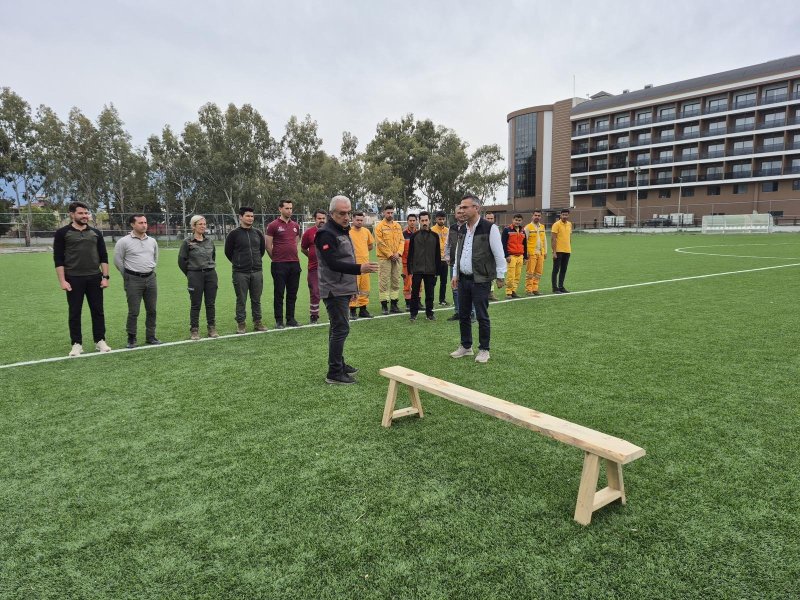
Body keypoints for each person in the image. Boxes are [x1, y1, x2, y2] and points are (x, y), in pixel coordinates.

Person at [315, 195, 379, 384]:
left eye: (348, 212)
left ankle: (338, 364)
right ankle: (334, 372)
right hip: (334, 289)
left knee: (337, 328)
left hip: (342, 287)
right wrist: (360, 269)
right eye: (342, 213)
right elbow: (333, 263)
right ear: (331, 213)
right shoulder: (326, 233)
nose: (346, 217)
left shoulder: (342, 230)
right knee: (341, 328)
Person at [450, 194, 506, 364]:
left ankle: (484, 349)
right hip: (463, 279)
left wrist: (500, 276)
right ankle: (466, 347)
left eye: (465, 207)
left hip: (481, 279)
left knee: (482, 316)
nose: (461, 210)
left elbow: (499, 254)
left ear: (476, 208)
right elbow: (458, 253)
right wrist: (455, 274)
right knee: (464, 314)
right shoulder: (462, 229)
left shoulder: (490, 228)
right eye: (460, 207)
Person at [53, 201, 112, 356]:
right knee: (74, 312)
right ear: (72, 214)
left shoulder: (96, 233)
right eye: (81, 213)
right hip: (73, 279)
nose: (85, 216)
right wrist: (62, 281)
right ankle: (76, 344)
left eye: (86, 213)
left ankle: (100, 341)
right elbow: (58, 259)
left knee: (98, 311)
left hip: (94, 278)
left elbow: (103, 256)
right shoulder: (62, 233)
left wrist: (105, 277)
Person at [114, 213, 160, 348]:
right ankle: (132, 338)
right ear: (132, 224)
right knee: (134, 311)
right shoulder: (123, 242)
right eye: (140, 223)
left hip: (151, 278)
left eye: (145, 222)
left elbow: (155, 258)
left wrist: (150, 270)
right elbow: (118, 261)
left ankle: (151, 336)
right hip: (133, 279)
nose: (144, 225)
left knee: (152, 310)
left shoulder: (152, 241)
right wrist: (128, 275)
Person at [225, 206, 266, 334]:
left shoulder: (258, 233)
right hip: (240, 273)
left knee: (256, 299)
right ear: (241, 217)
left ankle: (257, 322)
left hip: (257, 272)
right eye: (248, 216)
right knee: (241, 299)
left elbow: (261, 251)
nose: (250, 218)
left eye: (252, 216)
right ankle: (241, 324)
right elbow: (228, 252)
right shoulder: (233, 234)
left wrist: (255, 263)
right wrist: (238, 263)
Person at [178, 215, 219, 340]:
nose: (203, 226)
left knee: (210, 303)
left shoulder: (209, 241)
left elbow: (213, 256)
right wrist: (190, 273)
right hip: (195, 275)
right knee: (196, 304)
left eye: (204, 224)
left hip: (210, 274)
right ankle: (194, 330)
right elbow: (181, 261)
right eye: (200, 224)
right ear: (193, 226)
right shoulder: (187, 242)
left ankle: (211, 328)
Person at [266, 199, 302, 328]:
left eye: (291, 208)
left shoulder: (296, 226)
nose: (289, 211)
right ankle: (279, 320)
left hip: (294, 264)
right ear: (280, 209)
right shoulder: (273, 225)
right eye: (287, 208)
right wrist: (276, 259)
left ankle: (291, 319)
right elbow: (268, 246)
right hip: (279, 264)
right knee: (279, 293)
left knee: (292, 293)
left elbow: (295, 242)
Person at [407, 211, 442, 321]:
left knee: (430, 293)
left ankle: (429, 313)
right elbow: (410, 254)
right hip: (417, 269)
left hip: (431, 270)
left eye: (426, 220)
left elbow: (437, 255)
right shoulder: (414, 236)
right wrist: (410, 269)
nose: (424, 222)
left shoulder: (435, 236)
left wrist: (437, 271)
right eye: (422, 220)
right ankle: (413, 313)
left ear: (429, 221)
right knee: (415, 293)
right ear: (419, 221)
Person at [444, 205, 474, 322]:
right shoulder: (451, 228)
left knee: (469, 288)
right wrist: (446, 256)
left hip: (467, 263)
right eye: (458, 213)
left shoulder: (470, 227)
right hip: (453, 263)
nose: (461, 214)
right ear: (455, 215)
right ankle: (458, 312)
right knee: (455, 288)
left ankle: (471, 313)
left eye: (463, 212)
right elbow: (448, 244)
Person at [373, 204, 404, 315]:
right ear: (383, 213)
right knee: (384, 281)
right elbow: (380, 243)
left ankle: (394, 304)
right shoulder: (379, 227)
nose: (390, 214)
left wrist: (399, 253)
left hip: (397, 258)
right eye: (388, 213)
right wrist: (391, 254)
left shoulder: (397, 226)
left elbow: (402, 241)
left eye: (392, 212)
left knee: (396, 280)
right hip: (384, 258)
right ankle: (384, 305)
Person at [348, 211, 375, 320]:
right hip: (353, 266)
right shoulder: (348, 232)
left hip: (366, 265)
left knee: (365, 288)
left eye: (361, 220)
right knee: (353, 288)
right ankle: (352, 310)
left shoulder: (366, 231)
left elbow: (370, 246)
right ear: (353, 220)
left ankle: (363, 309)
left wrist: (363, 254)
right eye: (357, 220)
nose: (359, 222)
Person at [301, 209, 326, 324]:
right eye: (319, 218)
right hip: (314, 268)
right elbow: (303, 248)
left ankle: (333, 314)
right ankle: (314, 316)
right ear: (315, 219)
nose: (322, 220)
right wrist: (312, 257)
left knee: (331, 292)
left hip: (329, 268)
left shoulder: (330, 232)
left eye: (323, 218)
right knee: (315, 291)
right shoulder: (309, 232)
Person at [501, 213, 528, 299]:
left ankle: (513, 291)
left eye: (519, 220)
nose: (517, 222)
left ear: (521, 221)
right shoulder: (507, 230)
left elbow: (525, 244)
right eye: (516, 220)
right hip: (511, 256)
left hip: (520, 256)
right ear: (513, 220)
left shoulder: (523, 231)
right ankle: (508, 292)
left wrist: (525, 257)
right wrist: (506, 255)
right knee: (510, 275)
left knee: (517, 275)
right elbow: (503, 244)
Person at [524, 210, 547, 296]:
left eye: (539, 215)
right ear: (532, 216)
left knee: (538, 272)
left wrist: (545, 251)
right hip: (531, 253)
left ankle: (535, 289)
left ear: (540, 217)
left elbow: (544, 240)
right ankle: (528, 290)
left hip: (540, 253)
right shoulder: (528, 227)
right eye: (535, 215)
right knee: (530, 272)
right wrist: (526, 253)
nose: (537, 217)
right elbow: (524, 241)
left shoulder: (542, 227)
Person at [551, 208, 573, 294]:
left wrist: (569, 247)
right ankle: (555, 288)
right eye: (563, 215)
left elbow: (569, 237)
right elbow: (553, 239)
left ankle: (561, 287)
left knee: (563, 270)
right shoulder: (556, 224)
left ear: (568, 215)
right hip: (558, 251)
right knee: (556, 270)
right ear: (560, 215)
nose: (564, 216)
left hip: (567, 251)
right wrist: (554, 252)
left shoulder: (570, 224)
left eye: (566, 215)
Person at [430, 210, 450, 306]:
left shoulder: (447, 230)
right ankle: (431, 300)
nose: (441, 221)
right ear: (436, 219)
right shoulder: (432, 230)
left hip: (445, 260)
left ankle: (442, 300)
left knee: (444, 281)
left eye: (443, 219)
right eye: (439, 219)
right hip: (435, 260)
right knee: (433, 282)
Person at [401, 214, 418, 311]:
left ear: (416, 221)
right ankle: (408, 304)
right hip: (406, 263)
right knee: (407, 283)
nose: (412, 222)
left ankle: (418, 302)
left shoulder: (419, 233)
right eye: (410, 220)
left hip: (417, 263)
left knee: (419, 283)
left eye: (413, 220)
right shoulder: (403, 234)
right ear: (407, 221)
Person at [484, 212, 499, 301]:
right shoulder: (480, 228)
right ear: (484, 218)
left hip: (492, 257)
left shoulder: (496, 229)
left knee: (492, 276)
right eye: (488, 218)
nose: (489, 220)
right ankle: (483, 293)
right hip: (482, 256)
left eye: (491, 218)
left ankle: (490, 293)